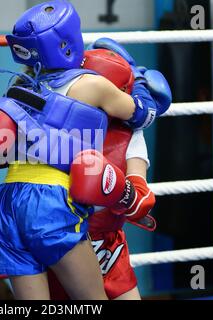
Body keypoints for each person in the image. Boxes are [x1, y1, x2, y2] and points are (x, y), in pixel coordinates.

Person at [0, 0, 171, 300]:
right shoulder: (92, 85)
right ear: (67, 42)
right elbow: (143, 112)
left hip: (5, 203)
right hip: (49, 204)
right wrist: (139, 77)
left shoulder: (18, 85)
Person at [48, 47, 157, 300]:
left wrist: (114, 189)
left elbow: (140, 201)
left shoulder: (130, 135)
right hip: (62, 240)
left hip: (109, 246)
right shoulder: (55, 127)